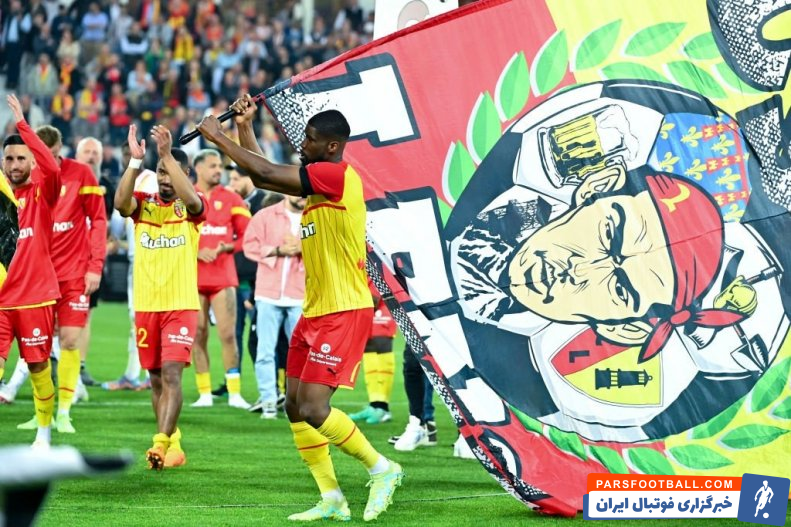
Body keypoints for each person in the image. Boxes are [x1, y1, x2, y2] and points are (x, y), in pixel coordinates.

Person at [197, 95, 403, 521]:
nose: (302, 145)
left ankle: (382, 468)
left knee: (312, 407)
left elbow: (265, 172)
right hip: (315, 310)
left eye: (309, 140)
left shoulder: (336, 174)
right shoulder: (320, 180)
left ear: (331, 146)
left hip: (344, 309)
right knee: (293, 405)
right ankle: (332, 497)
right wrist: (244, 126)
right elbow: (264, 176)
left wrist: (218, 138)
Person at [114, 124, 207, 469]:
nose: (165, 179)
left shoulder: (192, 207)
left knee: (171, 374)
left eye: (171, 173)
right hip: (146, 305)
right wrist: (135, 163)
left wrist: (166, 155)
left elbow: (193, 200)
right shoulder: (144, 205)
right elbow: (120, 204)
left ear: (187, 174)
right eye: (161, 172)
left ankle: (159, 444)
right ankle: (173, 447)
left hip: (180, 305)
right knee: (155, 379)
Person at [13, 126, 107, 434]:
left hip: (73, 274)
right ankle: (42, 413)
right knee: (37, 347)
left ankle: (64, 411)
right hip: (37, 276)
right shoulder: (25, 179)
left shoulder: (81, 174)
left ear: (60, 149)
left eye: (54, 154)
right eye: (44, 155)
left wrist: (95, 266)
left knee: (69, 340)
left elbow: (98, 220)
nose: (50, 160)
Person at [0, 94, 61, 449]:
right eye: (8, 158)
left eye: (21, 158)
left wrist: (23, 126)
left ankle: (43, 434)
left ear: (32, 161)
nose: (14, 164)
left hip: (35, 297)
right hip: (2, 300)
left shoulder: (43, 192)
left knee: (38, 367)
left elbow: (52, 168)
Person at [189, 149, 251, 410]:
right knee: (197, 334)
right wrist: (194, 251)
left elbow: (248, 236)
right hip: (192, 277)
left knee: (228, 335)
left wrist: (228, 247)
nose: (218, 171)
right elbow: (174, 233)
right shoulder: (187, 195)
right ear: (198, 168)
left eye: (219, 166)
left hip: (223, 277)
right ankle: (204, 393)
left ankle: (234, 393)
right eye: (213, 166)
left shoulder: (232, 198)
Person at [242, 192, 305, 419]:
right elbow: (249, 246)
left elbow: (327, 249)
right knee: (265, 351)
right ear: (287, 191)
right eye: (298, 192)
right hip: (268, 293)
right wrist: (278, 250)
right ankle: (268, 400)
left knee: (300, 354)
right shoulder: (266, 215)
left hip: (301, 295)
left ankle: (296, 403)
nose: (302, 197)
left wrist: (303, 248)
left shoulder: (317, 216)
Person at [73, 136, 111, 388]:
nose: (91, 156)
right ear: (77, 155)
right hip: (66, 258)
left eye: (95, 152)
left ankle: (80, 366)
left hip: (92, 263)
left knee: (86, 315)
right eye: (87, 151)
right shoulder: (65, 179)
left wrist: (110, 242)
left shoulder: (106, 185)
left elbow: (114, 222)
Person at [349, 279, 395, 425]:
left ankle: (383, 408)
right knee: (370, 362)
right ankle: (374, 405)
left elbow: (374, 296)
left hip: (381, 313)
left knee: (381, 358)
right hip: (366, 314)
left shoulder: (375, 267)